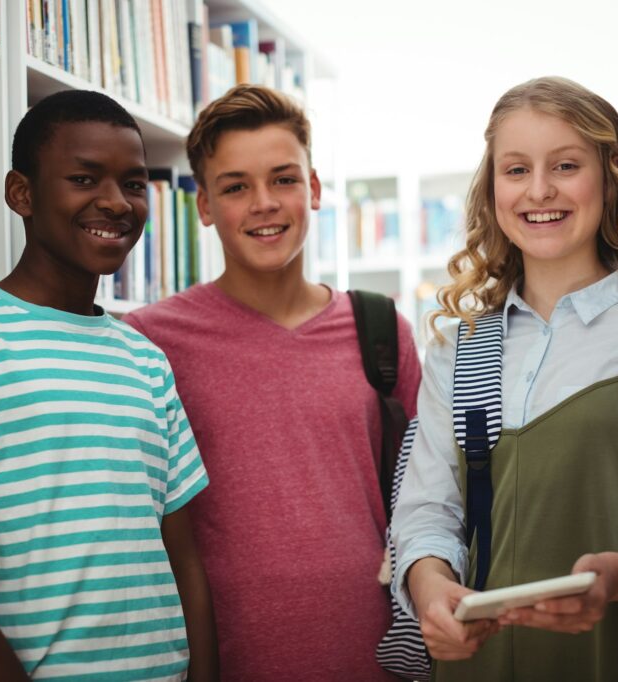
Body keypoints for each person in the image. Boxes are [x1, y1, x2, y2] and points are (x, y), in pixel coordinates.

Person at [391, 76, 618, 681]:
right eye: (516, 169)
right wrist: (428, 589)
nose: (539, 190)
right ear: (491, 187)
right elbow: (427, 517)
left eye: (566, 165)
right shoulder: (462, 348)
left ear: (609, 177)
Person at [0, 90, 217, 682]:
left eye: (134, 184)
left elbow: (182, 558)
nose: (115, 202)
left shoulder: (146, 359)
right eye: (85, 178)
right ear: (22, 194)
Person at [124, 84, 422, 681]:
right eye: (236, 187)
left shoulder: (382, 329)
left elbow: (428, 501)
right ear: (205, 206)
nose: (264, 202)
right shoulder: (148, 342)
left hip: (374, 658)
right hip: (221, 660)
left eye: (283, 179)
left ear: (313, 190)